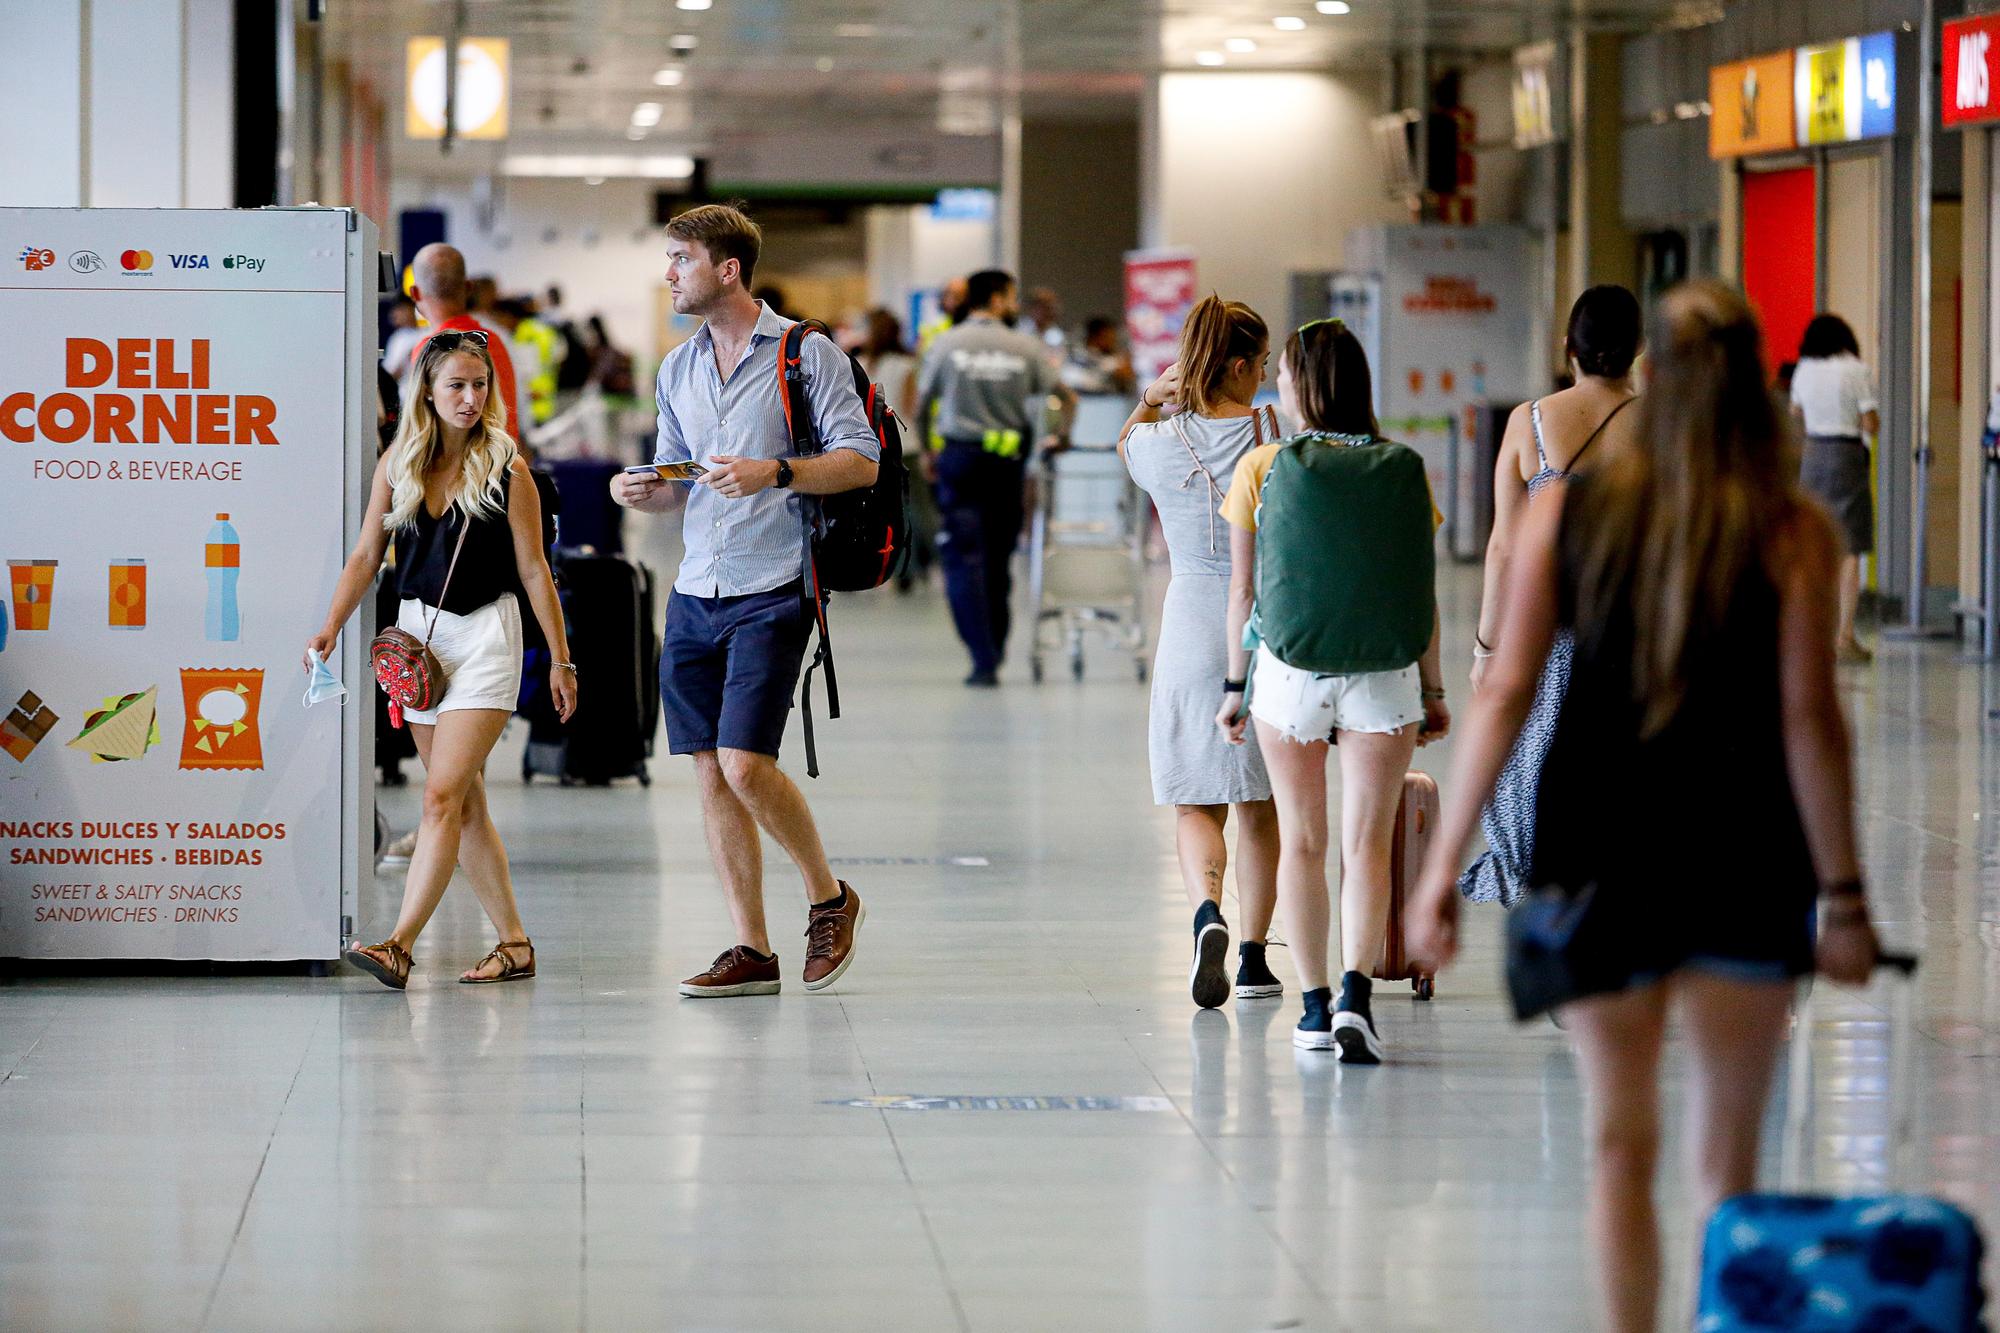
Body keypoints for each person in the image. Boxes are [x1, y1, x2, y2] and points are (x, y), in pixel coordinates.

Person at [1407, 282, 1882, 1333]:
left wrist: (1438, 870)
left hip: (1595, 854)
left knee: (1617, 1145)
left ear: (1651, 381)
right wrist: (1841, 896)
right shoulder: (1789, 529)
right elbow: (1809, 720)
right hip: (1745, 855)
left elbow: (1504, 690)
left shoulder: (1569, 512)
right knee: (1726, 1159)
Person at [610, 202, 878, 999]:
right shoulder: (677, 368)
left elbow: (859, 459)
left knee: (744, 762)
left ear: (727, 269)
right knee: (707, 771)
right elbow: (676, 481)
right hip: (696, 588)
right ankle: (750, 947)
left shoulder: (806, 354)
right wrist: (643, 491)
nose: (669, 274)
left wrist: (779, 471)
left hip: (773, 584)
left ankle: (829, 898)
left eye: (680, 259)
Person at [308, 329, 577, 989]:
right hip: (417, 643)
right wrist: (332, 625)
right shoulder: (400, 461)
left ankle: (399, 944)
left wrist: (561, 660)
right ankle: (514, 943)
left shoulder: (507, 467)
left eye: (479, 385)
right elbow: (367, 554)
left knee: (439, 796)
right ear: (426, 390)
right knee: (464, 804)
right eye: (456, 384)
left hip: (485, 637)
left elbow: (535, 570)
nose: (469, 397)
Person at [1215, 318, 1450, 1062]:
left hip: (1289, 674)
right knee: (1366, 843)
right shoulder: (1404, 465)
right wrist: (1435, 688)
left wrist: (1233, 685)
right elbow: (1423, 586)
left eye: (1283, 375)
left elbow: (1244, 590)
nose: (1277, 386)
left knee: (1303, 841)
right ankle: (1356, 993)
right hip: (1386, 675)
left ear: (1302, 386)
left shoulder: (1262, 465)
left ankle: (1313, 1008)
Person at [1119, 296, 1283, 1008]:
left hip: (1189, 626)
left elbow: (1125, 439)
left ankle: (1207, 912)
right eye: (1264, 363)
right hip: (1269, 628)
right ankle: (1252, 959)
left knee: (1196, 801)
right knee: (1263, 803)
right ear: (1243, 366)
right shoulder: (1277, 433)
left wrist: (1150, 396)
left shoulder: (1158, 443)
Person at [1460, 286, 1642, 907]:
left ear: (1569, 348)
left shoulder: (1529, 423)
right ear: (1637, 350)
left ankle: (1544, 876)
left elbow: (1505, 549)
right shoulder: (1662, 429)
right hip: (1635, 630)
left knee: (1537, 761)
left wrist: (1488, 646)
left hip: (1551, 631)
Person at [917, 269, 1077, 685]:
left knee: (962, 556)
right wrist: (1062, 435)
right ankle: (997, 646)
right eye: (1010, 295)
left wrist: (927, 450)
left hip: (960, 459)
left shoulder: (947, 343)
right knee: (998, 557)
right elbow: (1065, 395)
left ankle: (981, 654)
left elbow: (922, 403)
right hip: (1006, 465)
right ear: (999, 297)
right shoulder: (1024, 346)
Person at [1790, 313, 1880, 663]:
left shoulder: (1804, 369)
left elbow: (1796, 412)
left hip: (1812, 456)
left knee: (1812, 544)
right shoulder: (1856, 369)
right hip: (1846, 455)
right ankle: (1845, 635)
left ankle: (1814, 633)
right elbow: (1870, 422)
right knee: (1850, 547)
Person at [407, 244, 521, 441]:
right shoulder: (495, 341)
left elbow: (424, 423)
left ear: (415, 293)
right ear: (468, 288)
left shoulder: (430, 349)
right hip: (503, 461)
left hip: (461, 468)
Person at [1064, 316, 1137, 396]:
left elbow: (1128, 373)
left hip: (1109, 403)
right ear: (1095, 336)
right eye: (1108, 336)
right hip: (1084, 402)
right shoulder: (1077, 355)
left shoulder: (1111, 357)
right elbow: (1074, 381)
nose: (1112, 340)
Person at [382, 296, 423, 379]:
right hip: (403, 389)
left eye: (401, 309)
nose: (394, 314)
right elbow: (391, 373)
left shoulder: (428, 331)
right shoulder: (398, 337)